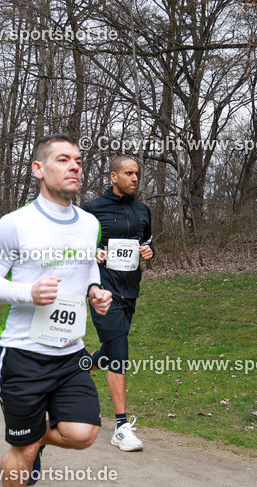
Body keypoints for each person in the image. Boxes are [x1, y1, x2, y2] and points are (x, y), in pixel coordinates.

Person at [0, 134, 112, 487]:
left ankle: (34, 437)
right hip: (22, 354)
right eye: (63, 159)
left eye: (78, 160)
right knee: (23, 447)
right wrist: (27, 292)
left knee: (83, 433)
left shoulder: (89, 223)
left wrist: (95, 291)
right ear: (38, 169)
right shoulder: (15, 223)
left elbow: (87, 268)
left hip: (70, 353)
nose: (74, 166)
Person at [82, 155, 155, 451]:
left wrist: (150, 252)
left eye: (137, 173)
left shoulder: (142, 210)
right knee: (120, 355)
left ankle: (77, 365)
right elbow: (76, 247)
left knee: (111, 350)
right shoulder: (92, 209)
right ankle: (121, 427)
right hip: (102, 292)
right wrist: (93, 252)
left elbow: (147, 243)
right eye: (128, 173)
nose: (134, 178)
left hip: (130, 292)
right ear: (113, 176)